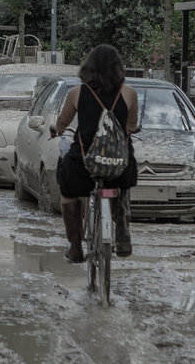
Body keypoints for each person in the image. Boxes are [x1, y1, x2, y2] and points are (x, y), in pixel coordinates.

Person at [51, 44, 140, 262]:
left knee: (68, 193)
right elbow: (132, 125)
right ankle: (122, 230)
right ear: (118, 68)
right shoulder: (128, 93)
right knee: (122, 183)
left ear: (88, 68)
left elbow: (62, 123)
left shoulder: (77, 93)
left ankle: (75, 247)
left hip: (84, 162)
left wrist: (56, 130)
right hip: (118, 164)